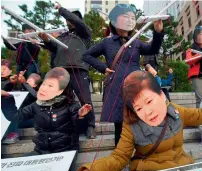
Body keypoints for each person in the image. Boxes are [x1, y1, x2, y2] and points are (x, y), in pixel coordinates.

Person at [68, 71, 202, 171]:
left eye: (149, 101)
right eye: (138, 108)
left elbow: (198, 115)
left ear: (161, 95)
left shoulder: (175, 111)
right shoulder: (131, 125)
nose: (148, 111)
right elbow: (118, 158)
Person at [83, 4, 164, 145]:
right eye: (125, 16)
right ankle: (120, 157)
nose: (130, 20)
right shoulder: (107, 42)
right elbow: (87, 55)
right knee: (120, 125)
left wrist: (157, 32)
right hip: (116, 88)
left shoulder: (136, 43)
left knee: (140, 120)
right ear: (114, 21)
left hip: (136, 87)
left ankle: (141, 153)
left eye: (132, 18)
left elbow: (154, 49)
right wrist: (103, 68)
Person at [1, 67, 92, 155]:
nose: (45, 88)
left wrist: (80, 117)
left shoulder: (72, 105)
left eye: (50, 86)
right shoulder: (36, 105)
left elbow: (80, 130)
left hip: (65, 151)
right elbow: (14, 116)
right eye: (44, 84)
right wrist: (7, 97)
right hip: (42, 151)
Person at [39, 2, 95, 139]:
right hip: (61, 72)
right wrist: (46, 40)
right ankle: (67, 126)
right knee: (63, 101)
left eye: (72, 18)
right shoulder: (62, 36)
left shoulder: (84, 33)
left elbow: (77, 21)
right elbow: (54, 47)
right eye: (67, 18)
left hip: (79, 70)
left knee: (85, 99)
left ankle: (90, 126)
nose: (69, 20)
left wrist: (61, 10)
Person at [1, 59, 19, 144]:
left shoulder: (14, 79)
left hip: (11, 110)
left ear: (10, 70)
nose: (1, 71)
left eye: (4, 69)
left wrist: (12, 82)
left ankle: (13, 134)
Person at [186, 25, 202, 108]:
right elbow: (189, 60)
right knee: (200, 98)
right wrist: (200, 55)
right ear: (195, 37)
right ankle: (199, 119)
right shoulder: (191, 49)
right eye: (201, 34)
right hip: (197, 76)